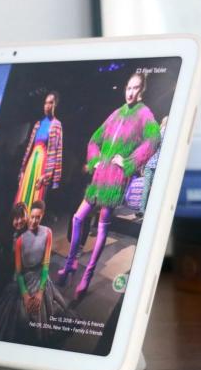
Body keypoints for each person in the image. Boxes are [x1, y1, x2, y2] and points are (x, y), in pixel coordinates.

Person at [57, 73, 161, 299]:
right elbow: (94, 139)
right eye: (128, 88)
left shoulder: (144, 113)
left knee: (102, 227)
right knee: (77, 218)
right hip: (99, 177)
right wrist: (94, 161)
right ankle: (72, 262)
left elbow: (154, 140)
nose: (131, 92)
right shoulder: (117, 113)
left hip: (115, 179)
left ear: (141, 90)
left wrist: (129, 162)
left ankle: (87, 276)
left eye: (135, 88)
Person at [0, 200, 73, 344]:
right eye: (16, 218)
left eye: (37, 217)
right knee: (16, 315)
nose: (21, 221)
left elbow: (45, 263)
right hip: (12, 275)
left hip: (34, 276)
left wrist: (40, 291)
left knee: (43, 311)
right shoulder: (12, 237)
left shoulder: (43, 232)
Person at [15, 92, 63, 210]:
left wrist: (50, 175)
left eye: (50, 103)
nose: (47, 106)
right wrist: (22, 169)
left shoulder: (56, 125)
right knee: (23, 194)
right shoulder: (38, 124)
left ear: (55, 105)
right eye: (46, 103)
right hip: (32, 162)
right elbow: (29, 148)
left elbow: (57, 152)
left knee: (36, 198)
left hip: (43, 165)